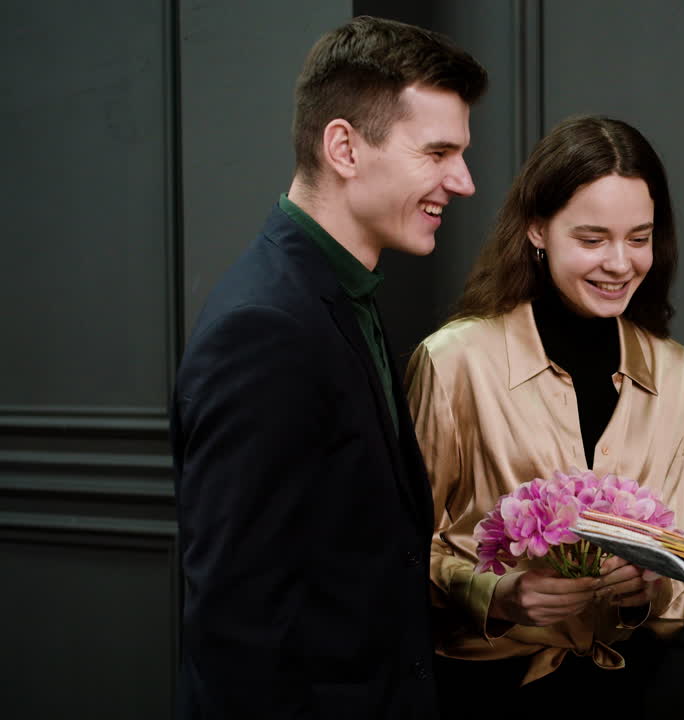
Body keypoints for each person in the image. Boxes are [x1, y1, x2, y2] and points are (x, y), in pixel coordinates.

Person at [170, 17, 486, 719]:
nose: (462, 181)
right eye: (437, 152)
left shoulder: (339, 294)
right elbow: (237, 632)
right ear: (343, 146)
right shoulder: (266, 327)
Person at [405, 115, 684, 717]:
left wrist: (647, 588)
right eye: (592, 239)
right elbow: (396, 551)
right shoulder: (454, 361)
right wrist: (498, 594)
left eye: (639, 238)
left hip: (629, 686)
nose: (621, 263)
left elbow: (681, 574)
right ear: (537, 229)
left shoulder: (678, 375)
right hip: (482, 692)